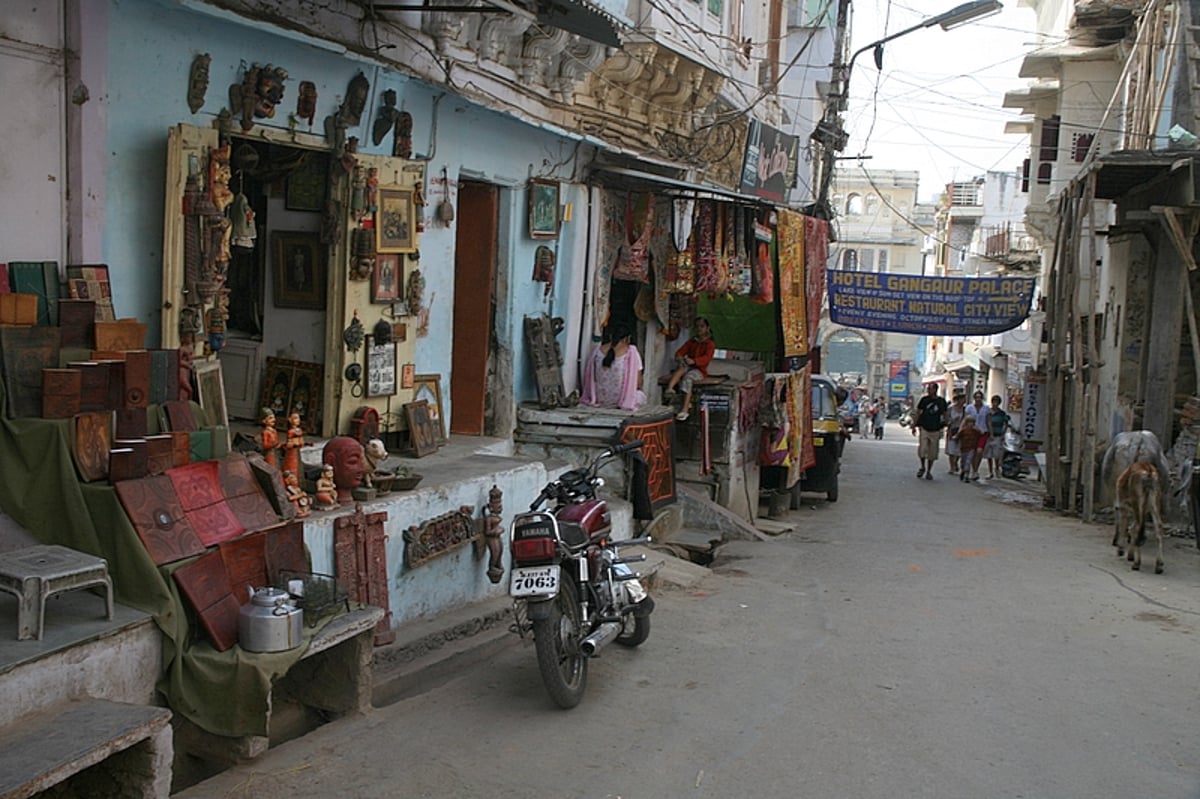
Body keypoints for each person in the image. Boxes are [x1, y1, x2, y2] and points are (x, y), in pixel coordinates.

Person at [580, 322, 647, 411]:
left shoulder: (597, 351)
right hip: (620, 401)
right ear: (626, 339)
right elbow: (638, 383)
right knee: (641, 396)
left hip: (599, 399)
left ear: (611, 336)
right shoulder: (631, 352)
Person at [665, 317, 716, 422]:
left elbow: (706, 358)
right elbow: (680, 352)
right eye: (697, 326)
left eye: (702, 326)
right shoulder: (692, 341)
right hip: (688, 366)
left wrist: (694, 361)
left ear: (707, 328)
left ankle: (685, 408)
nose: (699, 329)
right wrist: (680, 357)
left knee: (688, 378)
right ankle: (670, 389)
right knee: (681, 368)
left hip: (699, 370)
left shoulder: (710, 344)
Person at [912, 382, 949, 480]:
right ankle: (922, 466)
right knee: (923, 449)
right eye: (928, 389)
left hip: (936, 428)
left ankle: (929, 470)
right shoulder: (924, 400)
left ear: (935, 390)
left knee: (933, 451)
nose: (929, 391)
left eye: (930, 389)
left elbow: (945, 414)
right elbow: (918, 413)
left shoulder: (941, 402)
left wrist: (947, 424)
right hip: (924, 427)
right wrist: (914, 425)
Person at [983, 395, 1013, 479]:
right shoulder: (988, 413)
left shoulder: (1001, 413)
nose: (995, 404)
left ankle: (996, 469)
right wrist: (990, 433)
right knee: (989, 454)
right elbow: (988, 423)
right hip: (989, 436)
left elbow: (1006, 423)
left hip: (998, 435)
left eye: (997, 402)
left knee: (996, 454)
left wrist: (1003, 433)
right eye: (994, 402)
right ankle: (990, 472)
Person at [952, 415, 983, 482]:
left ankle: (966, 475)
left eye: (972, 422)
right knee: (963, 461)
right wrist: (955, 437)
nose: (970, 424)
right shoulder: (963, 430)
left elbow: (981, 433)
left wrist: (978, 429)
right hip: (963, 448)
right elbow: (958, 436)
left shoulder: (975, 431)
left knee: (968, 461)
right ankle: (963, 471)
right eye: (969, 422)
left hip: (971, 448)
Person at [944, 392, 966, 475]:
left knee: (960, 450)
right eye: (962, 399)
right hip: (952, 429)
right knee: (951, 449)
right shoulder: (951, 408)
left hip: (962, 430)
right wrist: (952, 421)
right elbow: (946, 419)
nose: (963, 401)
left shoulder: (964, 410)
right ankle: (952, 467)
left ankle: (956, 462)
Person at [282, 411, 304, 476]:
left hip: (296, 452)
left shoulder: (299, 430)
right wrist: (294, 444)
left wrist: (300, 443)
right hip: (291, 452)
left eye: (298, 418)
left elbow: (301, 441)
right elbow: (289, 443)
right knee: (290, 465)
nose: (298, 420)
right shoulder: (291, 432)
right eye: (295, 418)